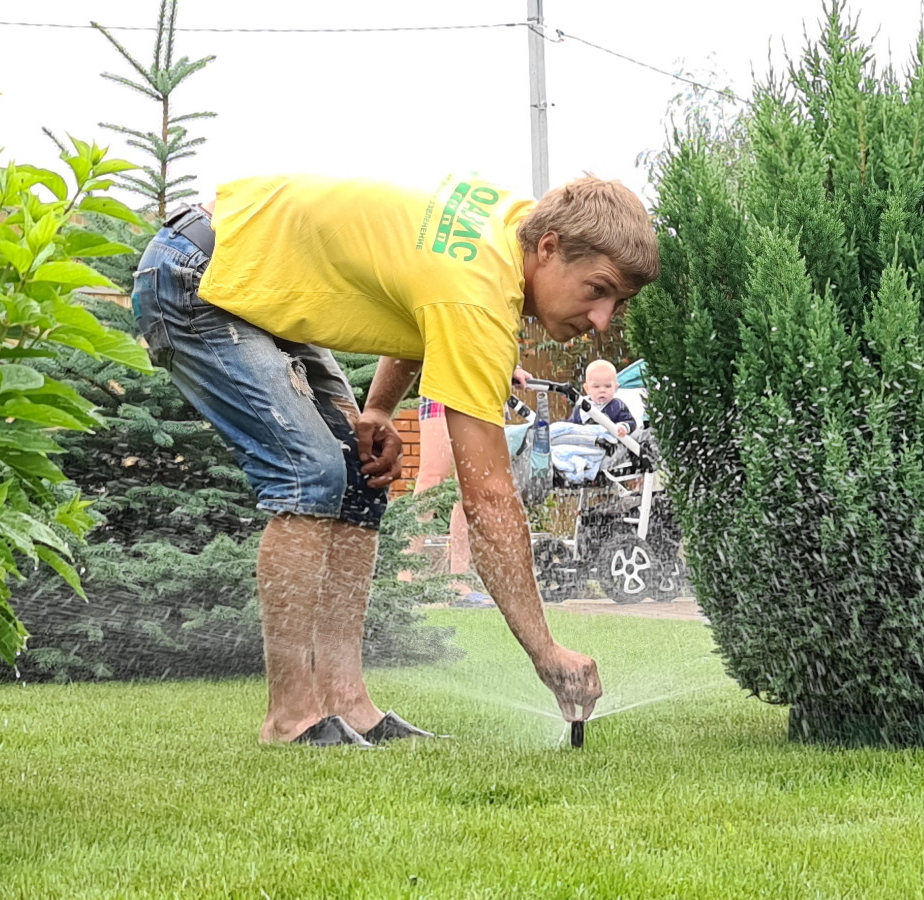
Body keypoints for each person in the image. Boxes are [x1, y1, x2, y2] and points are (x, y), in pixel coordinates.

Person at [130, 172, 658, 747]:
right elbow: (488, 499)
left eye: (618, 303)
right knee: (311, 475)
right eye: (597, 289)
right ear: (550, 248)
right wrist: (545, 650)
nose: (603, 320)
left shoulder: (512, 233)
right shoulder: (479, 291)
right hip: (198, 276)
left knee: (359, 477)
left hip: (250, 279)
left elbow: (414, 302)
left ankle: (348, 703)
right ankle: (290, 717)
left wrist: (378, 410)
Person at [412, 368, 529, 607]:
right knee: (432, 479)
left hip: (485, 389)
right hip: (445, 379)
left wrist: (509, 366)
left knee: (469, 488)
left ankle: (459, 583)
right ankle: (402, 578)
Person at [567, 359, 636, 437]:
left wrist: (623, 427)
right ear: (587, 389)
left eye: (608, 386)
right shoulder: (581, 405)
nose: (602, 390)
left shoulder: (617, 405)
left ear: (615, 387)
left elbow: (631, 422)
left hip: (609, 445)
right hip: (584, 445)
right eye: (596, 386)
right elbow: (570, 426)